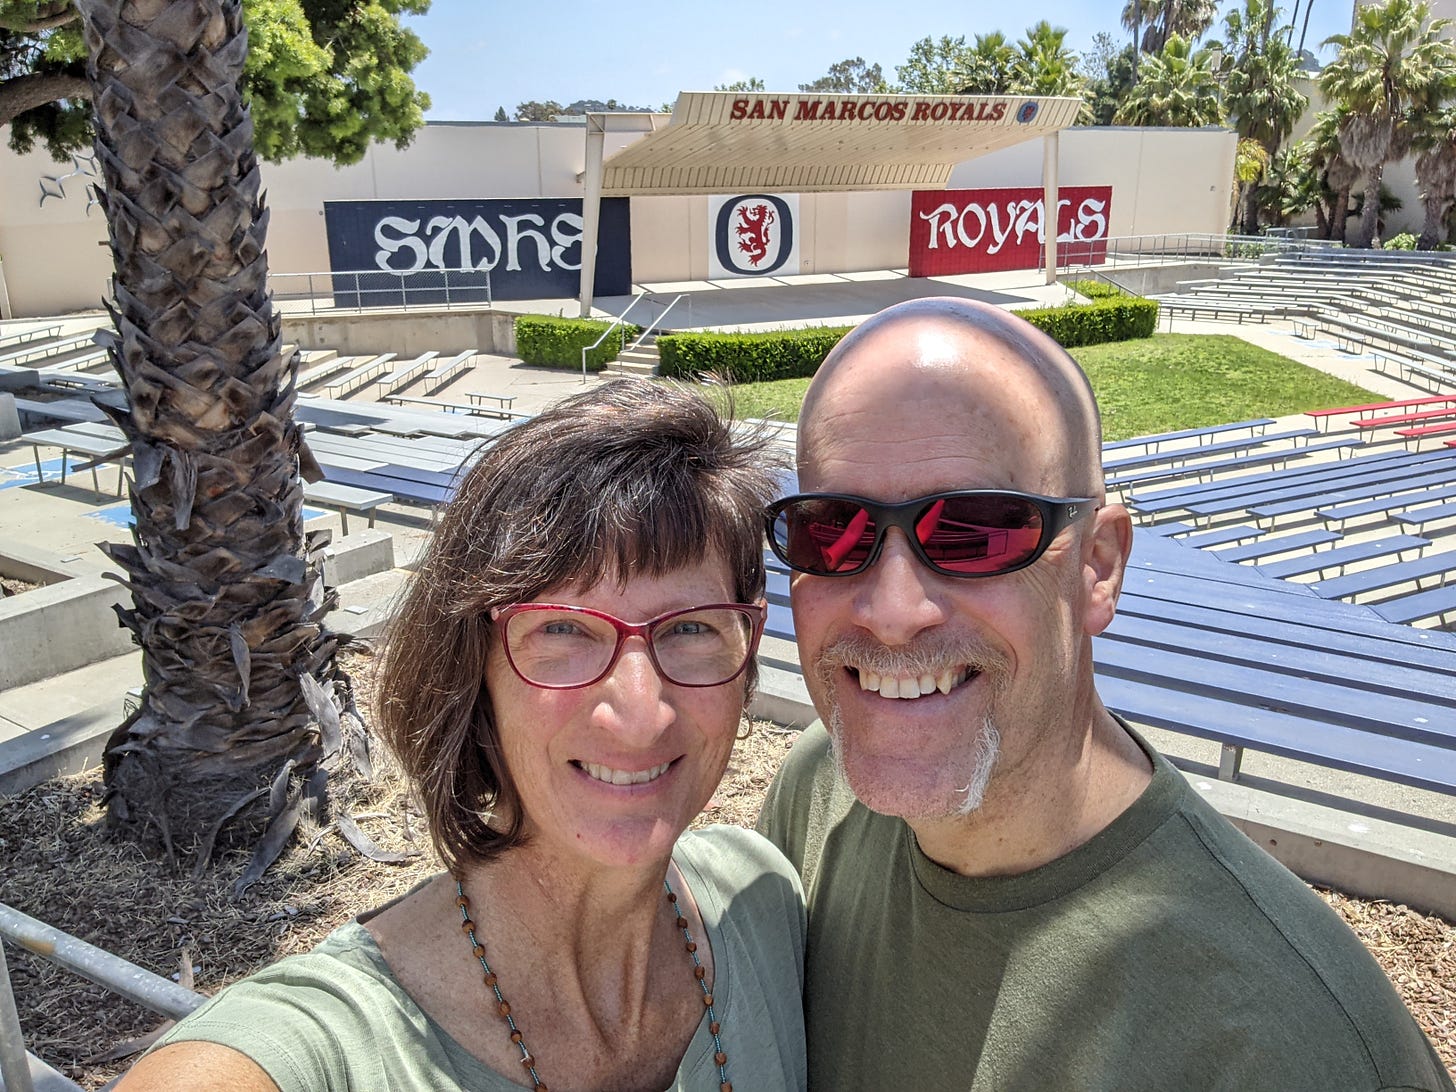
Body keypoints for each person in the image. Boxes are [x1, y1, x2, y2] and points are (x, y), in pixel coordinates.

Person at [756, 297, 1453, 1092]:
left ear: (1098, 567)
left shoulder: (1288, 1046)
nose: (892, 611)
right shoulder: (816, 794)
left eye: (974, 532)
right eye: (833, 530)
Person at [120, 380, 806, 1092]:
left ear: (748, 644)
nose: (639, 712)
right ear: (472, 668)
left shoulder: (761, 900)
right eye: (562, 630)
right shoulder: (331, 1048)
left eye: (692, 627)